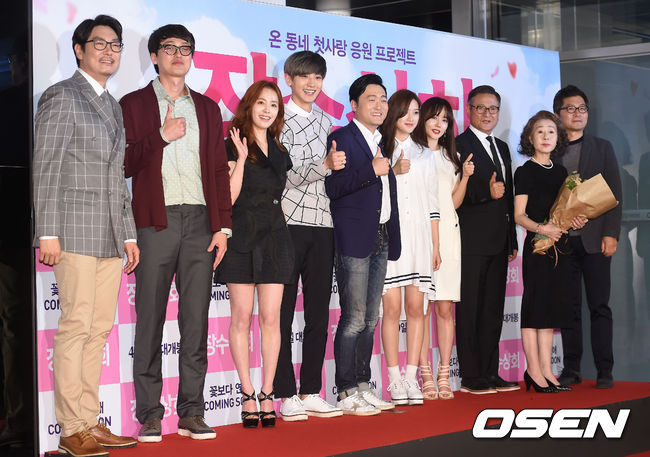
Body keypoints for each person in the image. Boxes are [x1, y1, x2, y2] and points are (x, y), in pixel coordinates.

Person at [33, 15, 139, 457]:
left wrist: (129, 234)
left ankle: (90, 422)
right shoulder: (62, 95)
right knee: (76, 327)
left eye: (115, 45)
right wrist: (47, 231)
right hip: (72, 230)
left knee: (98, 330)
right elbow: (46, 166)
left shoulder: (112, 104)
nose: (109, 51)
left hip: (110, 234)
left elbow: (117, 177)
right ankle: (70, 428)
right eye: (99, 43)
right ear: (79, 50)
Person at [120, 24, 232, 442]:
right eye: (169, 48)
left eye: (185, 48)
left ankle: (192, 412)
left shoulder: (207, 107)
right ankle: (150, 415)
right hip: (155, 221)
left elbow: (218, 169)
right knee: (150, 320)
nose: (178, 55)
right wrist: (161, 137)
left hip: (201, 222)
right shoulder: (133, 104)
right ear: (154, 56)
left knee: (195, 322)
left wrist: (222, 227)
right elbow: (124, 163)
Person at [215, 80, 293, 428]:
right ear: (249, 105)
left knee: (272, 319)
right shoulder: (233, 143)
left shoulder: (278, 149)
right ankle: (247, 392)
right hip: (242, 238)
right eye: (261, 103)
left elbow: (278, 198)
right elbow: (228, 199)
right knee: (242, 318)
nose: (267, 110)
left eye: (274, 105)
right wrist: (243, 159)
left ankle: (267, 391)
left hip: (274, 239)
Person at [273, 51, 343, 421]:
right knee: (282, 313)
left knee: (318, 313)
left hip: (324, 225)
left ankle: (311, 389)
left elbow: (332, 177)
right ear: (288, 79)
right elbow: (280, 174)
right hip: (286, 225)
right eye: (304, 76)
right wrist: (324, 165)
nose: (311, 83)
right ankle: (285, 393)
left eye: (317, 77)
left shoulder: (328, 122)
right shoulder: (276, 119)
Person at [325, 74, 400, 415]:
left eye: (383, 99)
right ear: (354, 105)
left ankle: (363, 385)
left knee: (371, 319)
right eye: (372, 98)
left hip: (381, 235)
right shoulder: (341, 138)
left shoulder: (381, 142)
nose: (380, 105)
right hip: (354, 238)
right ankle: (345, 391)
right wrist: (371, 169)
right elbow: (333, 188)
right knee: (354, 318)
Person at [553, 85, 622, 389]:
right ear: (558, 114)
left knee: (599, 306)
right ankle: (572, 368)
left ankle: (605, 370)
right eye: (570, 108)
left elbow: (614, 193)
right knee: (569, 307)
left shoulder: (602, 147)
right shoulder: (550, 148)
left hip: (595, 240)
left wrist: (611, 233)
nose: (577, 114)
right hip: (563, 241)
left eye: (582, 108)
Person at [513, 110, 585, 393]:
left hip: (560, 247)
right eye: (540, 131)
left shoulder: (561, 172)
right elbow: (519, 215)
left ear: (558, 138)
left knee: (550, 309)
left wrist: (576, 220)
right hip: (538, 247)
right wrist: (543, 229)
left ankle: (546, 370)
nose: (546, 136)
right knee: (534, 308)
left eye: (551, 131)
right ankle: (533, 369)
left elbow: (565, 211)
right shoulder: (525, 171)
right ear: (530, 138)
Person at [455, 85, 519, 395]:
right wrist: (484, 193)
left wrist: (512, 239)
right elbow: (451, 195)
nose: (487, 114)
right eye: (481, 108)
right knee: (470, 310)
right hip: (469, 241)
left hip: (498, 241)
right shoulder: (457, 145)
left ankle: (491, 372)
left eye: (493, 108)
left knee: (493, 310)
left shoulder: (502, 147)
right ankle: (471, 376)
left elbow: (508, 197)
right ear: (469, 110)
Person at [413, 97, 474, 400]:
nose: (439, 125)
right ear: (422, 119)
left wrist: (466, 177)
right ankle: (425, 374)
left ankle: (444, 374)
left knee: (445, 308)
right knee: (421, 308)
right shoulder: (413, 153)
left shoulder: (453, 157)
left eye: (445, 120)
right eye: (434, 117)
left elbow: (454, 202)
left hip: (449, 235)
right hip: (421, 235)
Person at [379, 90, 437, 406]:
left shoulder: (425, 153)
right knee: (391, 310)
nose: (412, 118)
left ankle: (412, 377)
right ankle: (394, 379)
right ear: (393, 114)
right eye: (405, 112)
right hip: (390, 239)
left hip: (419, 241)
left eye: (416, 112)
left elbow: (432, 204)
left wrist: (435, 246)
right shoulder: (380, 149)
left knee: (417, 310)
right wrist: (391, 170)